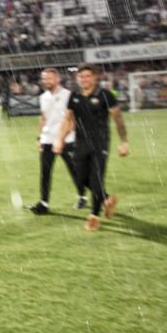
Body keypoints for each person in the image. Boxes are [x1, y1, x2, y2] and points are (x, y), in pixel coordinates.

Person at [54, 63, 129, 231]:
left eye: (88, 76)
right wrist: (60, 140)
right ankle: (107, 198)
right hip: (80, 143)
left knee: (96, 179)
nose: (84, 79)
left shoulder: (105, 95)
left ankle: (94, 216)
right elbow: (68, 119)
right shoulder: (74, 96)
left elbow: (118, 119)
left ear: (95, 77)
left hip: (100, 143)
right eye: (81, 77)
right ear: (77, 79)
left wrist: (124, 142)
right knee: (80, 178)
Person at [29, 68, 86, 214]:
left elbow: (73, 119)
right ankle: (44, 203)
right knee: (45, 172)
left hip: (67, 139)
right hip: (48, 139)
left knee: (74, 170)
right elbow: (43, 118)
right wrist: (39, 137)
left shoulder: (68, 95)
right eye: (44, 79)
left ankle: (82, 196)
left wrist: (67, 138)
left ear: (57, 79)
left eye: (49, 78)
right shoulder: (43, 97)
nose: (46, 81)